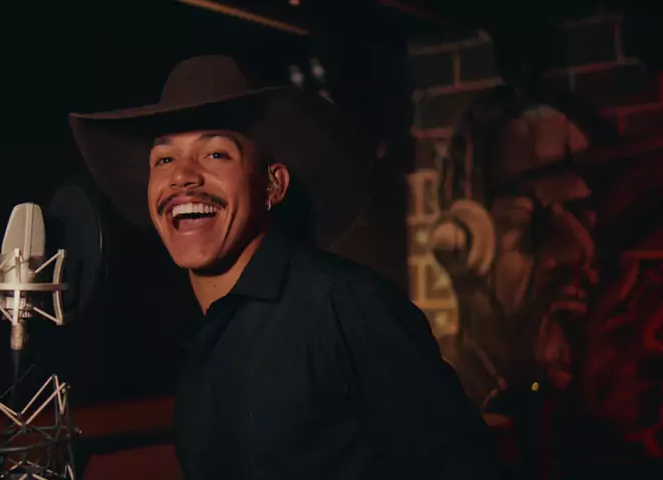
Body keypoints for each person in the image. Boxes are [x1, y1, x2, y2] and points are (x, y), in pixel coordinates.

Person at [70, 55, 501, 479]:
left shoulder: (343, 305)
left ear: (272, 185)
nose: (182, 177)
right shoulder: (202, 337)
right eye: (164, 160)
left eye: (215, 154)